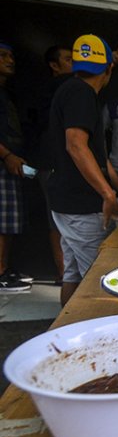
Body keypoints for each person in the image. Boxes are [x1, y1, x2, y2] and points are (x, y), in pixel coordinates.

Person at [47, 34, 118, 306]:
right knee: (98, 281)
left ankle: (62, 332)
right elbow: (76, 145)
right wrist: (107, 194)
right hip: (80, 206)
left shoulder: (71, 89)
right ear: (108, 70)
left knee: (73, 274)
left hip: (68, 203)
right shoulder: (82, 93)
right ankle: (92, 342)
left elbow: (98, 157)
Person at [32, 45, 74, 284]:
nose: (74, 64)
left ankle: (68, 273)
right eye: (69, 59)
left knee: (66, 218)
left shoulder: (68, 89)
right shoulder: (55, 87)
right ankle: (63, 274)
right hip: (50, 164)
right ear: (54, 65)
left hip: (63, 164)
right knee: (56, 218)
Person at [0, 41, 32, 292]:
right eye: (3, 55)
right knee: (2, 221)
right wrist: (7, 155)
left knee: (9, 221)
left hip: (9, 161)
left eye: (11, 55)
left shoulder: (5, 92)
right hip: (3, 161)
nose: (9, 60)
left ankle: (4, 268)